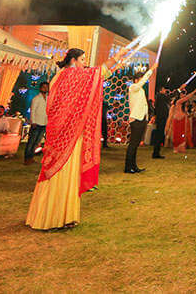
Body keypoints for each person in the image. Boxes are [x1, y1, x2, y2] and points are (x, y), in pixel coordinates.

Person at [26, 46, 130, 230]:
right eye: (82, 60)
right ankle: (52, 218)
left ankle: (64, 216)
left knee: (68, 173)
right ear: (73, 60)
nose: (84, 64)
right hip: (67, 133)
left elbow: (96, 77)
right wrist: (117, 57)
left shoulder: (61, 76)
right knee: (61, 172)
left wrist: (115, 64)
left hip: (67, 133)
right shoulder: (69, 75)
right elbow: (97, 74)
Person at [125, 65, 156, 174]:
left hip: (142, 118)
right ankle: (128, 167)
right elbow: (142, 82)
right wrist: (151, 70)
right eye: (141, 78)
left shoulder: (140, 90)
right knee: (133, 143)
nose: (144, 80)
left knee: (136, 143)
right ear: (136, 80)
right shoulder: (133, 87)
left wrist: (146, 117)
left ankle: (133, 166)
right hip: (136, 119)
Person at [171, 84, 196, 153]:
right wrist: (194, 92)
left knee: (182, 134)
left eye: (185, 93)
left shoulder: (183, 104)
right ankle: (176, 148)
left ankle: (181, 148)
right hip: (177, 119)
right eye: (183, 93)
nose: (184, 94)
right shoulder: (178, 101)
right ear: (180, 94)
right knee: (177, 134)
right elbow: (187, 97)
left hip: (182, 119)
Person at [24, 81, 50, 165]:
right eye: (44, 87)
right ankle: (27, 158)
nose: (45, 89)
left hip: (44, 122)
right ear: (40, 88)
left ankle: (31, 157)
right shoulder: (36, 99)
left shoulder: (48, 98)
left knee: (37, 142)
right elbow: (32, 111)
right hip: (36, 123)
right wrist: (33, 121)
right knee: (31, 141)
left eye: (47, 87)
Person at [151, 84, 176, 160]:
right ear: (161, 90)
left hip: (160, 118)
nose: (165, 91)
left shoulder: (159, 98)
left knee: (160, 135)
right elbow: (169, 97)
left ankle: (156, 152)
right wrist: (177, 91)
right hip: (161, 118)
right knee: (159, 135)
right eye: (164, 89)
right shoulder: (160, 96)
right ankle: (156, 153)